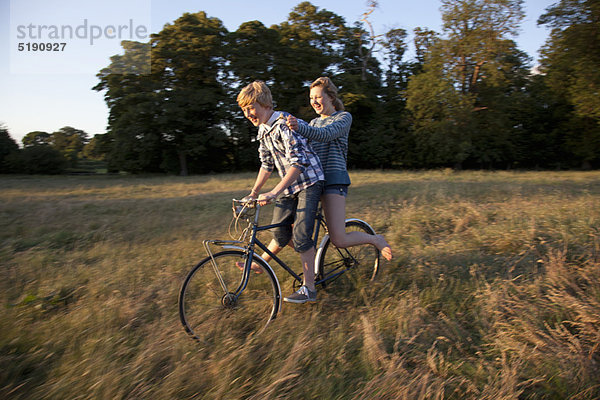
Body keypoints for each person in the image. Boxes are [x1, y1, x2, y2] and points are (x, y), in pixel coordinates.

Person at [237, 81, 325, 304]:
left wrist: (275, 191)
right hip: (289, 186)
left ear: (265, 104)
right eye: (244, 110)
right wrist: (254, 192)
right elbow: (266, 164)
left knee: (302, 237)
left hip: (309, 182)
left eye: (251, 107)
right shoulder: (263, 130)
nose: (248, 114)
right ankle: (311, 259)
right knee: (279, 233)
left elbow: (298, 162)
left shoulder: (283, 123)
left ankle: (309, 289)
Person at [287, 77, 393, 261]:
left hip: (333, 181)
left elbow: (326, 135)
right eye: (311, 98)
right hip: (313, 181)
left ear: (331, 97)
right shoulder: (312, 123)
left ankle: (375, 239)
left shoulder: (344, 118)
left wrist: (300, 127)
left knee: (339, 239)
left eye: (318, 97)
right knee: (290, 230)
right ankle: (261, 262)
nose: (314, 102)